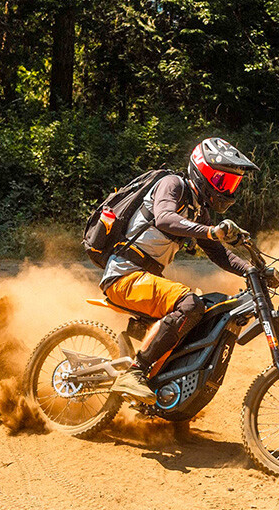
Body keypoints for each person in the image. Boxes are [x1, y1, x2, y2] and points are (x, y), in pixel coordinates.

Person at [102, 138, 259, 403]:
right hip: (124, 276)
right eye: (222, 181)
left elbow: (218, 253)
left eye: (232, 184)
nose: (227, 190)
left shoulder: (199, 211)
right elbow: (165, 218)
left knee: (207, 311)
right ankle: (135, 372)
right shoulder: (172, 184)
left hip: (145, 279)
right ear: (202, 172)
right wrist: (211, 231)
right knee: (189, 304)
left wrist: (253, 271)